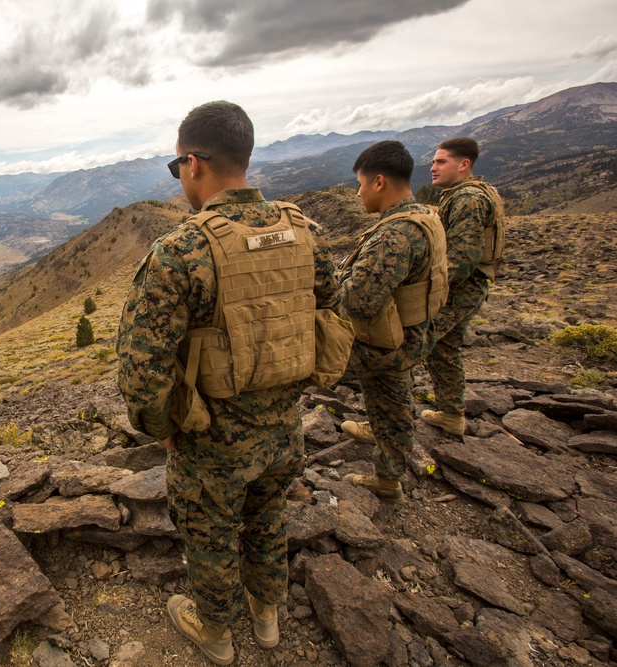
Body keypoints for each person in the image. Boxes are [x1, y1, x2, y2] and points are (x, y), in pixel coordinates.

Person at [116, 101, 339, 665]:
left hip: (212, 435)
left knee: (210, 528)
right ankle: (267, 615)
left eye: (176, 168)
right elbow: (329, 319)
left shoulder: (180, 251)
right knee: (268, 511)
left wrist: (163, 428)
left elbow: (142, 368)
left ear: (193, 163)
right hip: (286, 424)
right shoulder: (308, 233)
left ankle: (214, 629)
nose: (180, 179)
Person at [338, 141, 448, 502]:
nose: (358, 193)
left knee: (300, 365)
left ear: (380, 182)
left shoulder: (395, 234)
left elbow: (358, 299)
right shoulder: (426, 215)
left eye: (361, 184)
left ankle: (386, 479)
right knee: (392, 396)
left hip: (388, 342)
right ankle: (387, 456)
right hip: (413, 332)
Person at [422, 137, 505, 436]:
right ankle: (451, 413)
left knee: (408, 345)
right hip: (470, 287)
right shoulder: (473, 192)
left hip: (459, 290)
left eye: (441, 161)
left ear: (464, 164)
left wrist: (425, 287)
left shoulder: (468, 198)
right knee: (443, 347)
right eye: (434, 161)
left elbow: (463, 257)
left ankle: (387, 421)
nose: (433, 167)